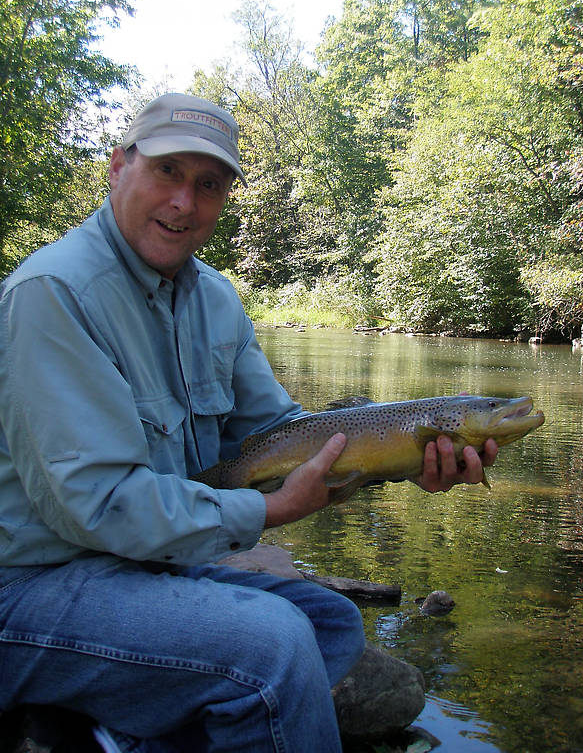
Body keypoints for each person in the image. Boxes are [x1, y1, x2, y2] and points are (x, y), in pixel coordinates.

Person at [0, 93, 498, 753]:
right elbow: (98, 506)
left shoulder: (214, 299)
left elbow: (281, 434)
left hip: (140, 569)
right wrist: (264, 512)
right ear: (118, 167)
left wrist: (408, 460)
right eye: (167, 172)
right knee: (274, 646)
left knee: (329, 622)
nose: (185, 203)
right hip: (32, 586)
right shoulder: (54, 294)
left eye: (209, 184)